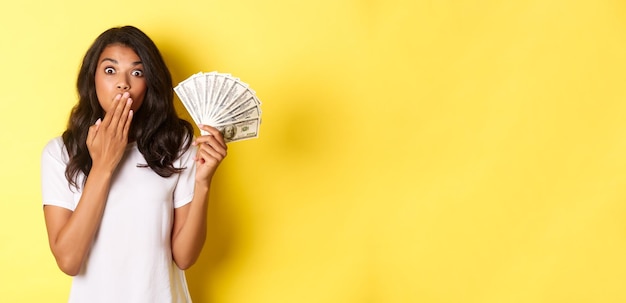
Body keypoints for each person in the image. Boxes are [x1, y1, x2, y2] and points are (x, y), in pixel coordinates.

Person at [40, 25, 227, 302]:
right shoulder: (60, 153)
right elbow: (69, 261)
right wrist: (103, 165)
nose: (123, 83)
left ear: (149, 83)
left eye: (137, 73)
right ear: (92, 78)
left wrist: (203, 183)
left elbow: (185, 257)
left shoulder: (177, 144)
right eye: (110, 70)